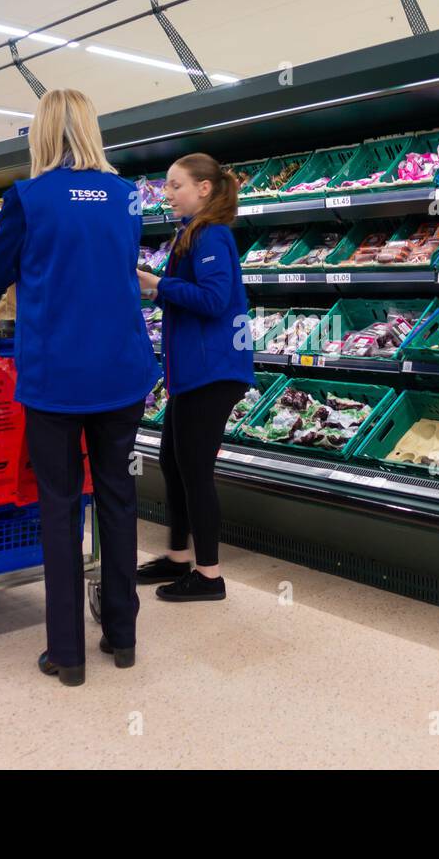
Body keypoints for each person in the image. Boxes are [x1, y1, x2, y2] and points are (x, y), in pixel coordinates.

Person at [0, 88, 159, 687]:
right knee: (119, 502)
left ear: (42, 133)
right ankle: (123, 639)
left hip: (55, 377)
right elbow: (119, 265)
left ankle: (67, 655)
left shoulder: (27, 197)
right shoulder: (128, 197)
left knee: (59, 509)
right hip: (122, 373)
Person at [136, 153, 255, 602]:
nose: (167, 194)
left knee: (195, 470)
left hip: (213, 371)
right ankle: (178, 556)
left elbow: (212, 299)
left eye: (175, 185)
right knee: (173, 462)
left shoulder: (211, 234)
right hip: (192, 371)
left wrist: (156, 284)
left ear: (204, 189)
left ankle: (209, 576)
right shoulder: (191, 233)